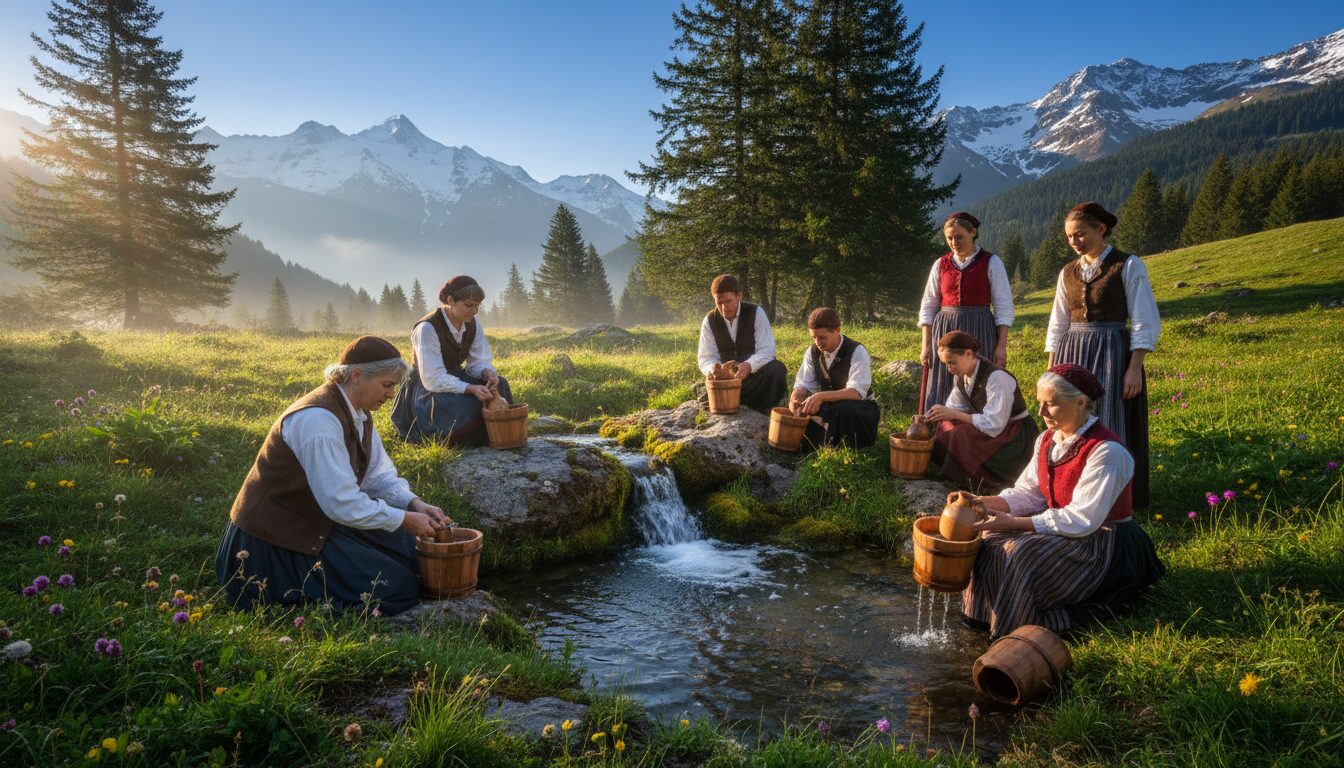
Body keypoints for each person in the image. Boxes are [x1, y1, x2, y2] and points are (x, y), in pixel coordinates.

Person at [216, 336, 451, 615]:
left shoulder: (358, 412)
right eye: (387, 385)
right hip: (274, 541)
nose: (391, 395)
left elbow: (378, 477)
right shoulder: (318, 421)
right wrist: (403, 519)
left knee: (414, 555)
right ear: (356, 375)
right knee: (394, 586)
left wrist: (413, 504)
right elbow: (341, 503)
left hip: (319, 521)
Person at [962, 364, 1164, 639]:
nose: (1041, 413)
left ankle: (1017, 629)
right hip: (1067, 528)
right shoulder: (1047, 440)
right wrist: (984, 502)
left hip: (1102, 542)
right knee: (988, 539)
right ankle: (983, 622)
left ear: (1080, 403)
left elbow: (1082, 519)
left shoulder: (1107, 452)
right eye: (1040, 404)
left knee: (1018, 552)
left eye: (1051, 405)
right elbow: (1030, 493)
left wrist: (1017, 524)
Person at [1046, 202, 1160, 506]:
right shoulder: (1068, 272)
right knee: (1071, 418)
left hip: (1111, 351)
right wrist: (1051, 370)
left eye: (1081, 234)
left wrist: (1134, 366)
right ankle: (1073, 487)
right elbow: (1058, 322)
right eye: (1070, 237)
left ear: (1101, 229)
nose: (1075, 242)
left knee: (1107, 418)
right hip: (1072, 350)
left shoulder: (1128, 265)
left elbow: (1142, 318)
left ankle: (1112, 495)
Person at [391, 275, 513, 446]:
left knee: (502, 385)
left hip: (455, 376)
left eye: (477, 305)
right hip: (427, 386)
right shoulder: (427, 327)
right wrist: (470, 388)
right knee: (460, 404)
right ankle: (466, 436)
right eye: (469, 305)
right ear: (451, 300)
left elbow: (478, 361)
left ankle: (495, 431)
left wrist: (487, 374)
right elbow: (433, 378)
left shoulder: (472, 323)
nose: (474, 311)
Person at [918, 212, 1014, 412]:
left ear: (973, 233)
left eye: (959, 237)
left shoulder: (991, 262)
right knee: (944, 378)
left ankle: (976, 428)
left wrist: (1001, 346)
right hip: (945, 330)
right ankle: (940, 429)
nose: (954, 242)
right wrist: (926, 344)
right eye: (949, 238)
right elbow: (928, 306)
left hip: (979, 330)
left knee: (977, 378)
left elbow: (1003, 307)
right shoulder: (941, 264)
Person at [924, 330, 1038, 491]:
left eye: (952, 362)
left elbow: (994, 423)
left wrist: (954, 414)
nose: (949, 368)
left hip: (1014, 435)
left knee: (959, 434)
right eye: (946, 364)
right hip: (994, 427)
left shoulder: (997, 378)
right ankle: (956, 472)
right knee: (945, 425)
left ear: (969, 354)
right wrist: (931, 416)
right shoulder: (962, 375)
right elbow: (954, 407)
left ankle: (982, 479)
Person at [789, 307, 881, 449]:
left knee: (843, 409)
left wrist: (820, 396)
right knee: (806, 410)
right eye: (814, 337)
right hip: (831, 406)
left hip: (858, 409)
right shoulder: (812, 351)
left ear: (837, 330)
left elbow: (856, 393)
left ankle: (840, 448)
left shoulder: (857, 351)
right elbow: (804, 383)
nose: (818, 342)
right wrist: (796, 397)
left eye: (822, 337)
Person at [697, 274, 788, 414]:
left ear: (738, 295)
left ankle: (725, 399)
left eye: (728, 301)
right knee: (720, 384)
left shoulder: (756, 312)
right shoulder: (709, 320)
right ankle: (734, 398)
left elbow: (767, 350)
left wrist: (749, 365)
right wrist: (713, 369)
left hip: (754, 375)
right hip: (727, 378)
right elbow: (706, 357)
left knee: (777, 370)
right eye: (718, 302)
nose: (723, 307)